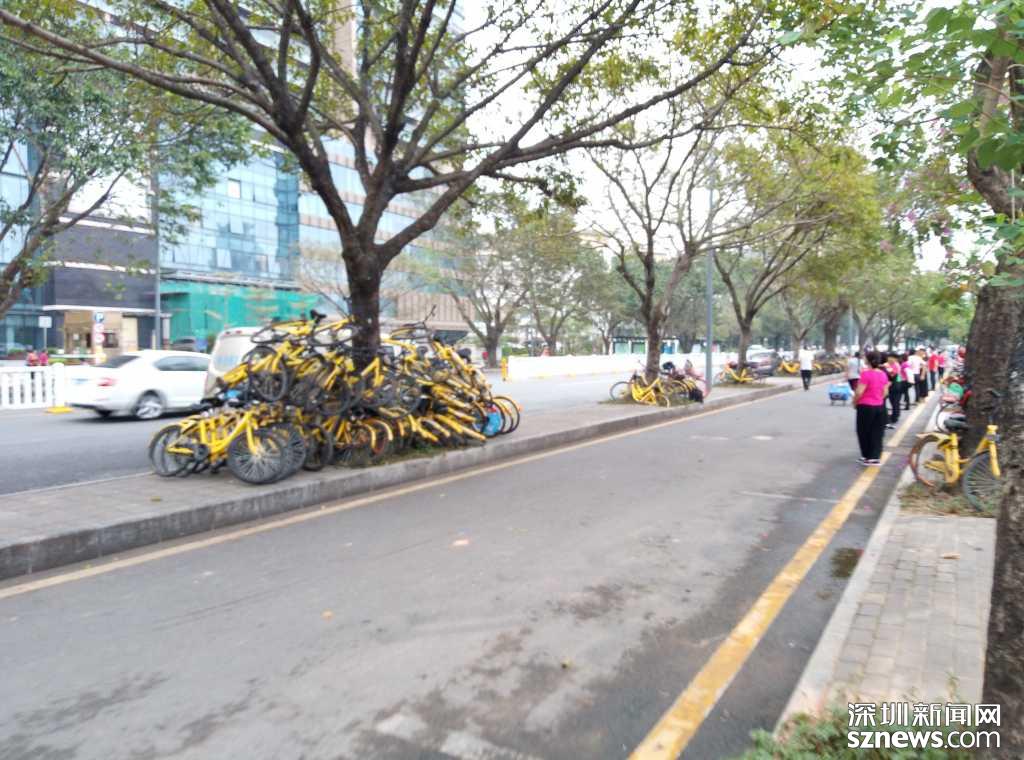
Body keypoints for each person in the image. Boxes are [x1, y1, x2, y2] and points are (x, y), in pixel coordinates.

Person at [854, 351, 890, 466]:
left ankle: (866, 456)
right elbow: (885, 392)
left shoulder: (866, 374)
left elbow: (859, 392)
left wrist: (854, 402)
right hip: (880, 406)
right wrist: (877, 399)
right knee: (877, 432)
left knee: (863, 431)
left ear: (868, 360)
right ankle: (875, 457)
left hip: (865, 406)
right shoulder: (883, 374)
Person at [884, 353, 902, 428]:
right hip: (894, 384)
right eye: (889, 357)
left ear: (895, 359)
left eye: (892, 358)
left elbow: (892, 375)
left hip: (895, 385)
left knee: (895, 401)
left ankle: (895, 417)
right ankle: (895, 415)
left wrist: (887, 367)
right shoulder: (890, 364)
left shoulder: (895, 365)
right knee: (894, 401)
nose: (890, 359)